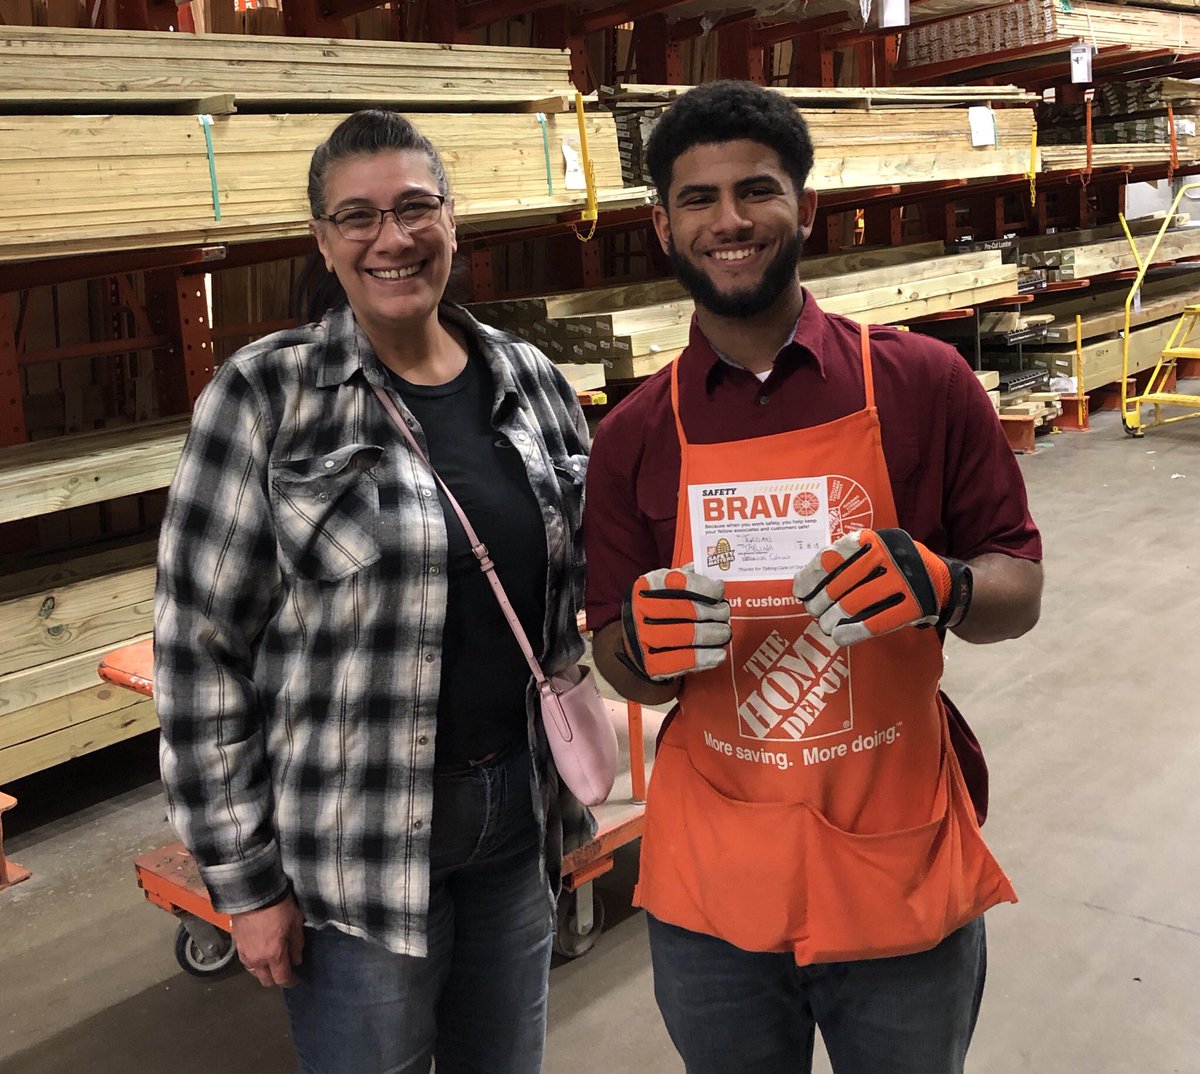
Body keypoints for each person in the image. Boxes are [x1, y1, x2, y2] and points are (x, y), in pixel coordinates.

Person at [584, 81, 1044, 1074]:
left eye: (758, 190)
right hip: (716, 888)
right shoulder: (631, 438)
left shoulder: (923, 384)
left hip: (897, 861)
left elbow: (1019, 587)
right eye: (698, 199)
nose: (731, 220)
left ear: (808, 206)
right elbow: (620, 661)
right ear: (661, 223)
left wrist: (947, 589)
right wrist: (639, 648)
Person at [154, 109, 590, 1074]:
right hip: (352, 852)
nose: (391, 238)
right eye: (357, 216)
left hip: (517, 823)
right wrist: (245, 884)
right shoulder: (266, 395)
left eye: (414, 207)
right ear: (323, 240)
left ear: (452, 222)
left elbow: (592, 575)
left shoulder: (528, 382)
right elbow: (197, 655)